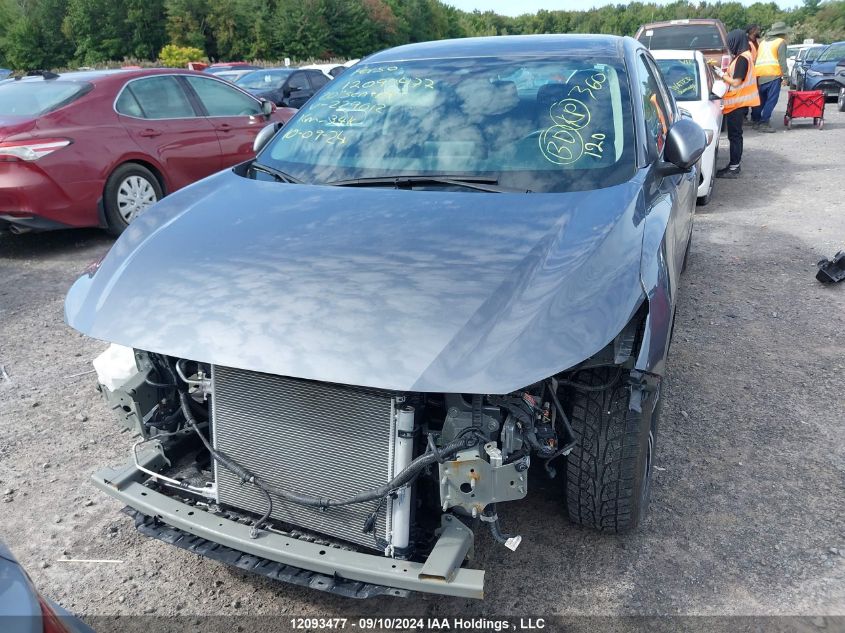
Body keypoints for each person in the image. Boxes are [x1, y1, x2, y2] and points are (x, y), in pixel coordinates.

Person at [715, 30, 760, 179]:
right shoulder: (743, 57)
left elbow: (736, 82)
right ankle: (734, 165)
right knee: (735, 136)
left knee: (735, 136)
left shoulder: (742, 59)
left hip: (738, 103)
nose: (729, 46)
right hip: (738, 103)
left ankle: (734, 167)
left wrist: (721, 75)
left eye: (730, 43)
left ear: (736, 42)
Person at [751, 21, 791, 132]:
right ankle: (764, 123)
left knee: (760, 101)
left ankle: (756, 121)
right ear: (782, 33)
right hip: (773, 75)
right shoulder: (780, 42)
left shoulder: (763, 43)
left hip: (760, 75)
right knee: (771, 100)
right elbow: (782, 61)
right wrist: (786, 77)